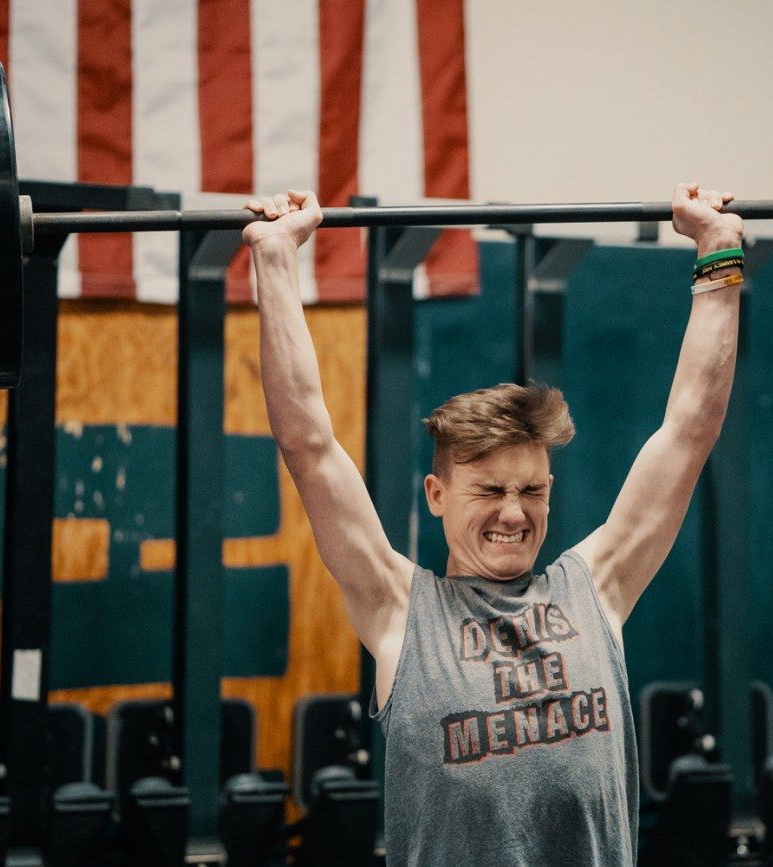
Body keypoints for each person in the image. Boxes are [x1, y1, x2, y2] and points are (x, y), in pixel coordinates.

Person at [244, 183, 743, 866]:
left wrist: (719, 255)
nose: (515, 512)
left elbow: (689, 430)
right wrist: (275, 260)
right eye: (490, 490)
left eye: (532, 490)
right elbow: (308, 444)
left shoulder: (595, 587)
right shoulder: (400, 611)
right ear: (437, 493)